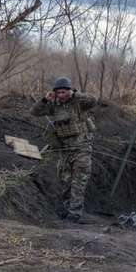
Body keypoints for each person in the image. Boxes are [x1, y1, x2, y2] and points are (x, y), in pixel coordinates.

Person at [30, 77, 97, 221]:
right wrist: (45, 100)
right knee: (65, 182)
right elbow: (34, 112)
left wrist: (75, 94)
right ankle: (67, 210)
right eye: (59, 92)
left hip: (82, 149)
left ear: (69, 91)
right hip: (64, 151)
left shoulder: (79, 102)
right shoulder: (54, 105)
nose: (61, 95)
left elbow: (93, 100)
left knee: (79, 182)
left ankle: (74, 214)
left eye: (64, 92)